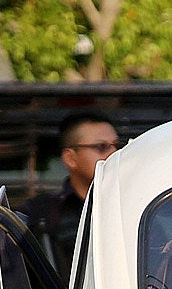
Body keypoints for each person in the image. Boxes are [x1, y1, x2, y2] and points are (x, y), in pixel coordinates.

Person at [19, 112, 121, 273]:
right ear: (70, 158)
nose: (114, 154)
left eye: (117, 146)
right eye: (101, 147)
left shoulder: (131, 205)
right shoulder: (39, 214)